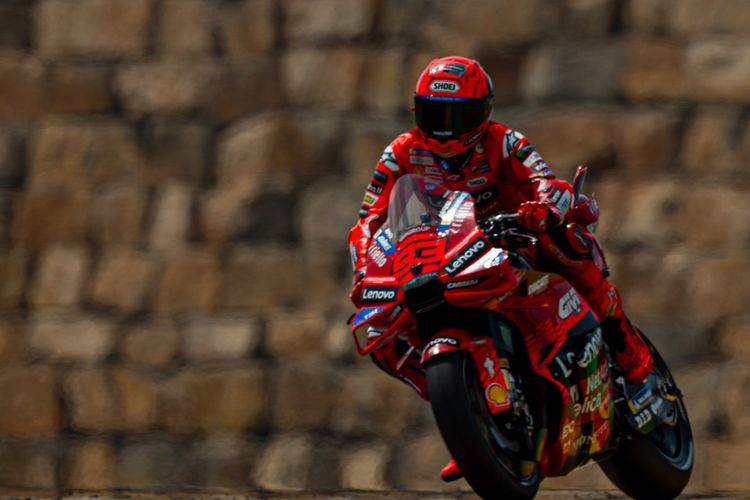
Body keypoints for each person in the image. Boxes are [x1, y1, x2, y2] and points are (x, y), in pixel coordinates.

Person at [347, 56, 654, 481]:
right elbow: (370, 219)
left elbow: (542, 178)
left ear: (483, 113)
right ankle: (469, 420)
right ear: (417, 111)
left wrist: (543, 206)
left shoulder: (505, 141)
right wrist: (365, 267)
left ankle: (633, 360)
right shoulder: (400, 151)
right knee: (381, 335)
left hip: (512, 235)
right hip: (442, 253)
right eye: (435, 114)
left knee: (566, 244)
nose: (445, 129)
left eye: (457, 116)